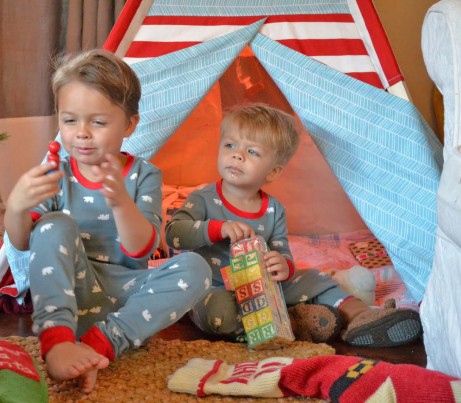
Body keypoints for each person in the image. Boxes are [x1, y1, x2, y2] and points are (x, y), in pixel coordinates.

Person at [2, 49, 211, 393]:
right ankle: (57, 340)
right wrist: (17, 208)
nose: (81, 133)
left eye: (97, 122)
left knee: (195, 267)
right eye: (69, 121)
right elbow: (24, 243)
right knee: (52, 224)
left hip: (125, 299)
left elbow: (139, 249)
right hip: (68, 291)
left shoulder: (145, 174)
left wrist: (119, 202)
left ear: (129, 124)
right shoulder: (57, 174)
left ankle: (99, 345)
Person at [165, 103, 422, 348]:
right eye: (230, 145)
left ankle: (361, 316)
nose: (237, 155)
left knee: (316, 277)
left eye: (252, 151)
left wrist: (283, 266)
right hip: (214, 287)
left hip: (264, 289)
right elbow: (174, 235)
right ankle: (294, 323)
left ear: (273, 172)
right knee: (220, 311)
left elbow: (282, 250)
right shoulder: (203, 198)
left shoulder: (273, 208)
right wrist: (216, 229)